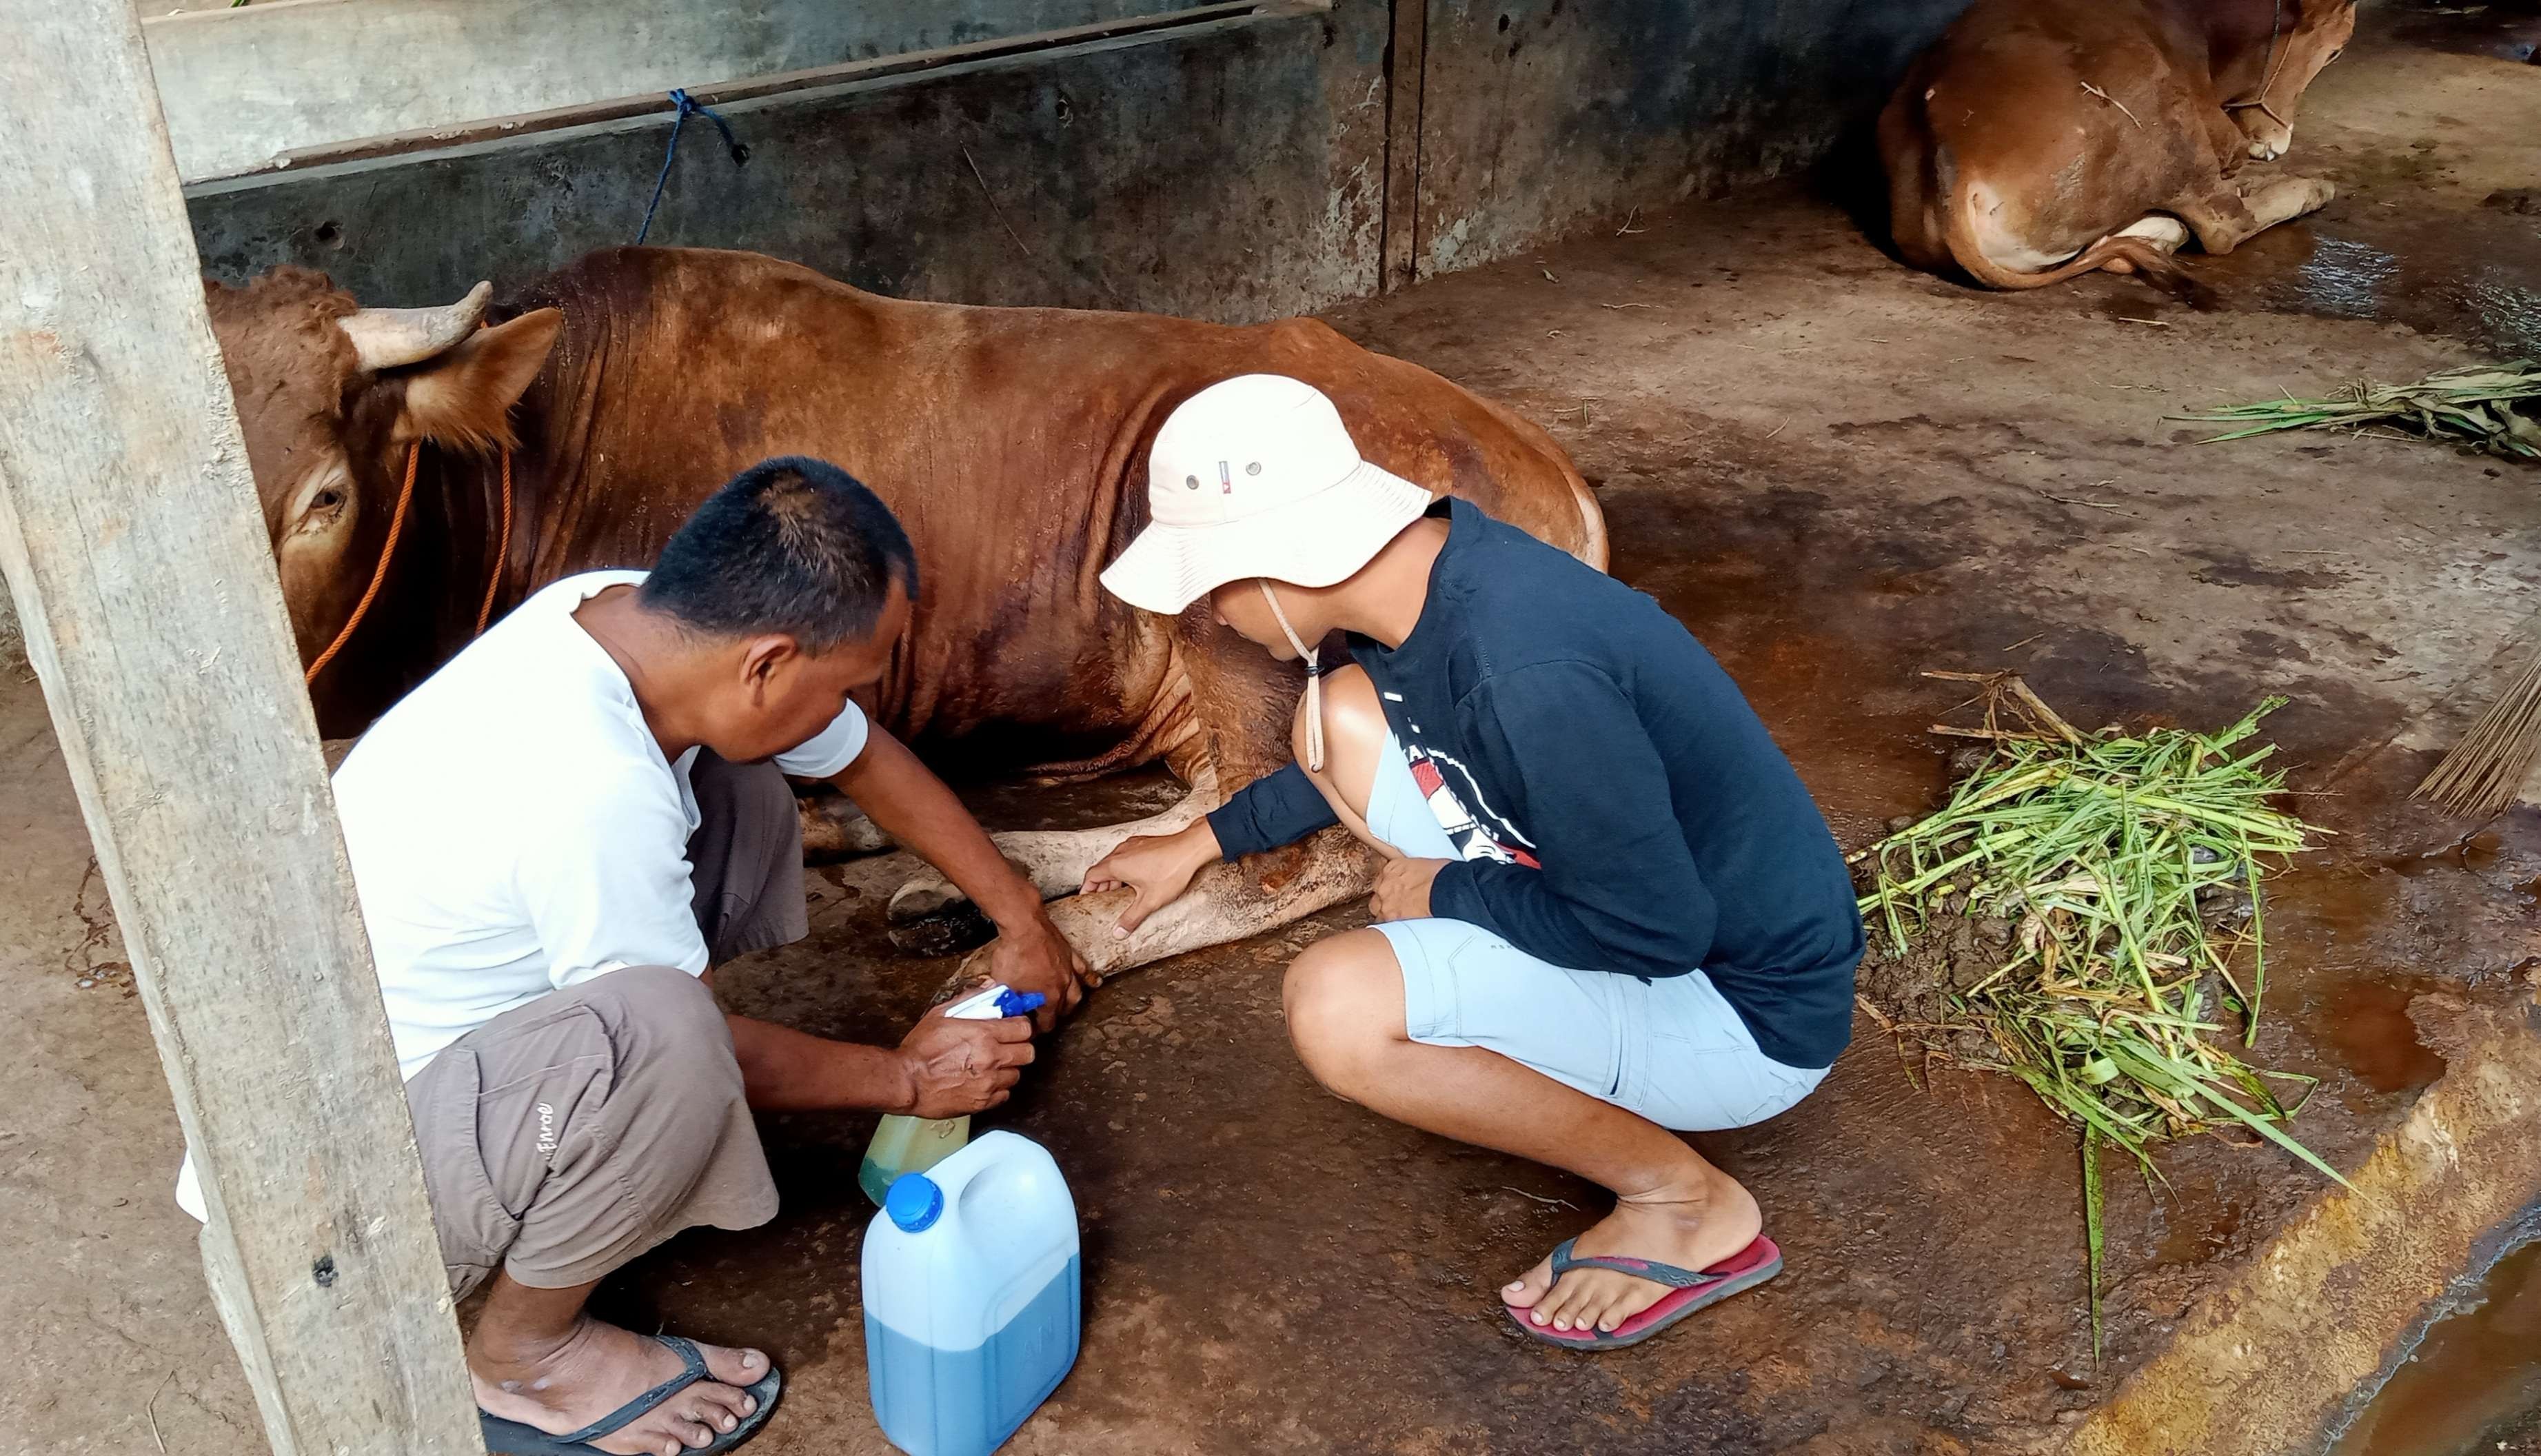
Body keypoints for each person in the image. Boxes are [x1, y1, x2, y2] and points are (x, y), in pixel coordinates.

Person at [176, 457, 1091, 1455]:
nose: (854, 700)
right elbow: (698, 1041)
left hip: (411, 1067)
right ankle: (525, 1360)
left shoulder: (615, 614)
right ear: (767, 662)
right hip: (348, 1186)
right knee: (666, 1032)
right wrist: (908, 1082)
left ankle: (612, 1138)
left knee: (734, 776)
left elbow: (857, 752)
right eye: (849, 676)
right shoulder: (593, 789)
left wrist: (1019, 917)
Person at [1082, 375, 1862, 1351]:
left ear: (1275, 567)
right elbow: (1414, 744)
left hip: (1739, 1012)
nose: (1206, 616)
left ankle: (1683, 1201)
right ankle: (1497, 943)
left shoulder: (1525, 673)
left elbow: (1655, 934)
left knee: (1339, 1007)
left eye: (1204, 588)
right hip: (1671, 913)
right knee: (1340, 718)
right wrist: (1194, 843)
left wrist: (1444, 888)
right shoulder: (1433, 581)